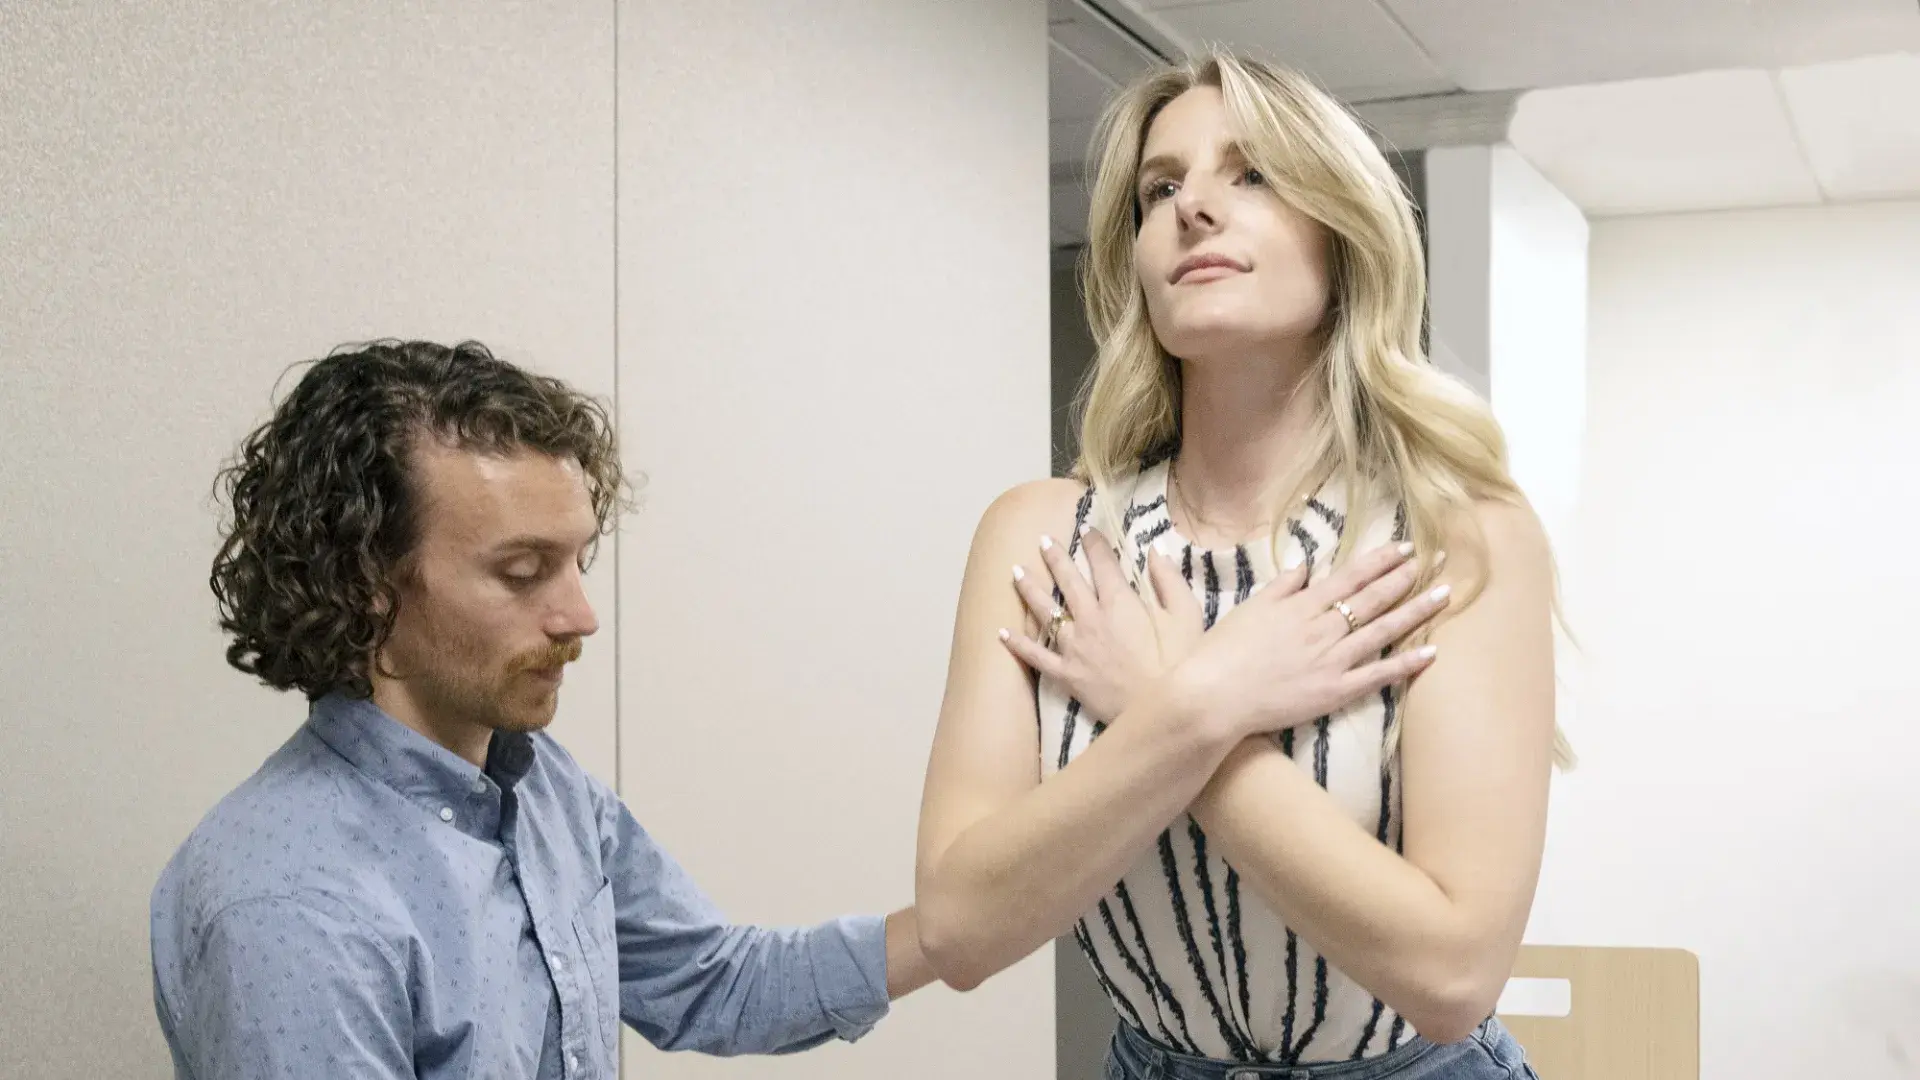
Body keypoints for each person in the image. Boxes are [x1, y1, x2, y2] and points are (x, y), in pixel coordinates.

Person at [914, 51, 1568, 1080]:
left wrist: (1161, 704)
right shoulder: (1040, 536)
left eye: (1251, 174)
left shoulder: (1457, 536)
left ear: (1341, 229)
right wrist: (1202, 706)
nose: (1194, 209)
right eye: (1160, 188)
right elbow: (957, 929)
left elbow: (1451, 976)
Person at [151, 340, 932, 1079]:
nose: (580, 616)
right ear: (369, 587)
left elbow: (714, 981)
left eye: (577, 562)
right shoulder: (293, 907)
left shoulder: (539, 786)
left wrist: (949, 934)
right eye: (525, 571)